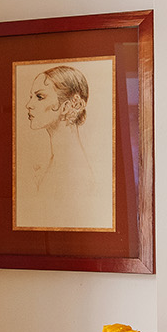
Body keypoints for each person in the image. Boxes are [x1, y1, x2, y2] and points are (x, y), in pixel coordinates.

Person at [15, 58, 110, 231]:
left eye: (39, 97)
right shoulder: (52, 163)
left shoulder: (76, 173)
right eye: (31, 97)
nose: (28, 105)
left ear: (66, 107)